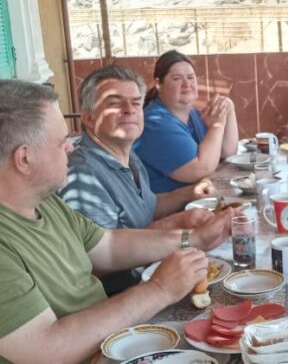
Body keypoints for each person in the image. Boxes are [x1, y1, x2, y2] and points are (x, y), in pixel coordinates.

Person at [0, 80, 236, 363]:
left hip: (111, 344)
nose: (70, 148)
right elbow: (45, 349)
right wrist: (158, 290)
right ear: (24, 158)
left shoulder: (44, 201)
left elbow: (109, 245)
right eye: (61, 141)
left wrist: (194, 239)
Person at [58, 65, 221, 294]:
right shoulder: (83, 175)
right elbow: (98, 261)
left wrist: (189, 194)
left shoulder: (128, 155)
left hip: (155, 275)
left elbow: (148, 206)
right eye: (115, 103)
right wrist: (177, 228)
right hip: (125, 295)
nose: (129, 110)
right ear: (88, 118)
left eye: (135, 102)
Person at [134, 50, 239, 193]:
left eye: (191, 77)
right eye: (177, 78)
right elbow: (201, 169)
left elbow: (227, 152)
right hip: (171, 211)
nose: (186, 84)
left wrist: (228, 107)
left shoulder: (193, 114)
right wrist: (217, 126)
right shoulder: (154, 123)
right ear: (159, 84)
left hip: (198, 202)